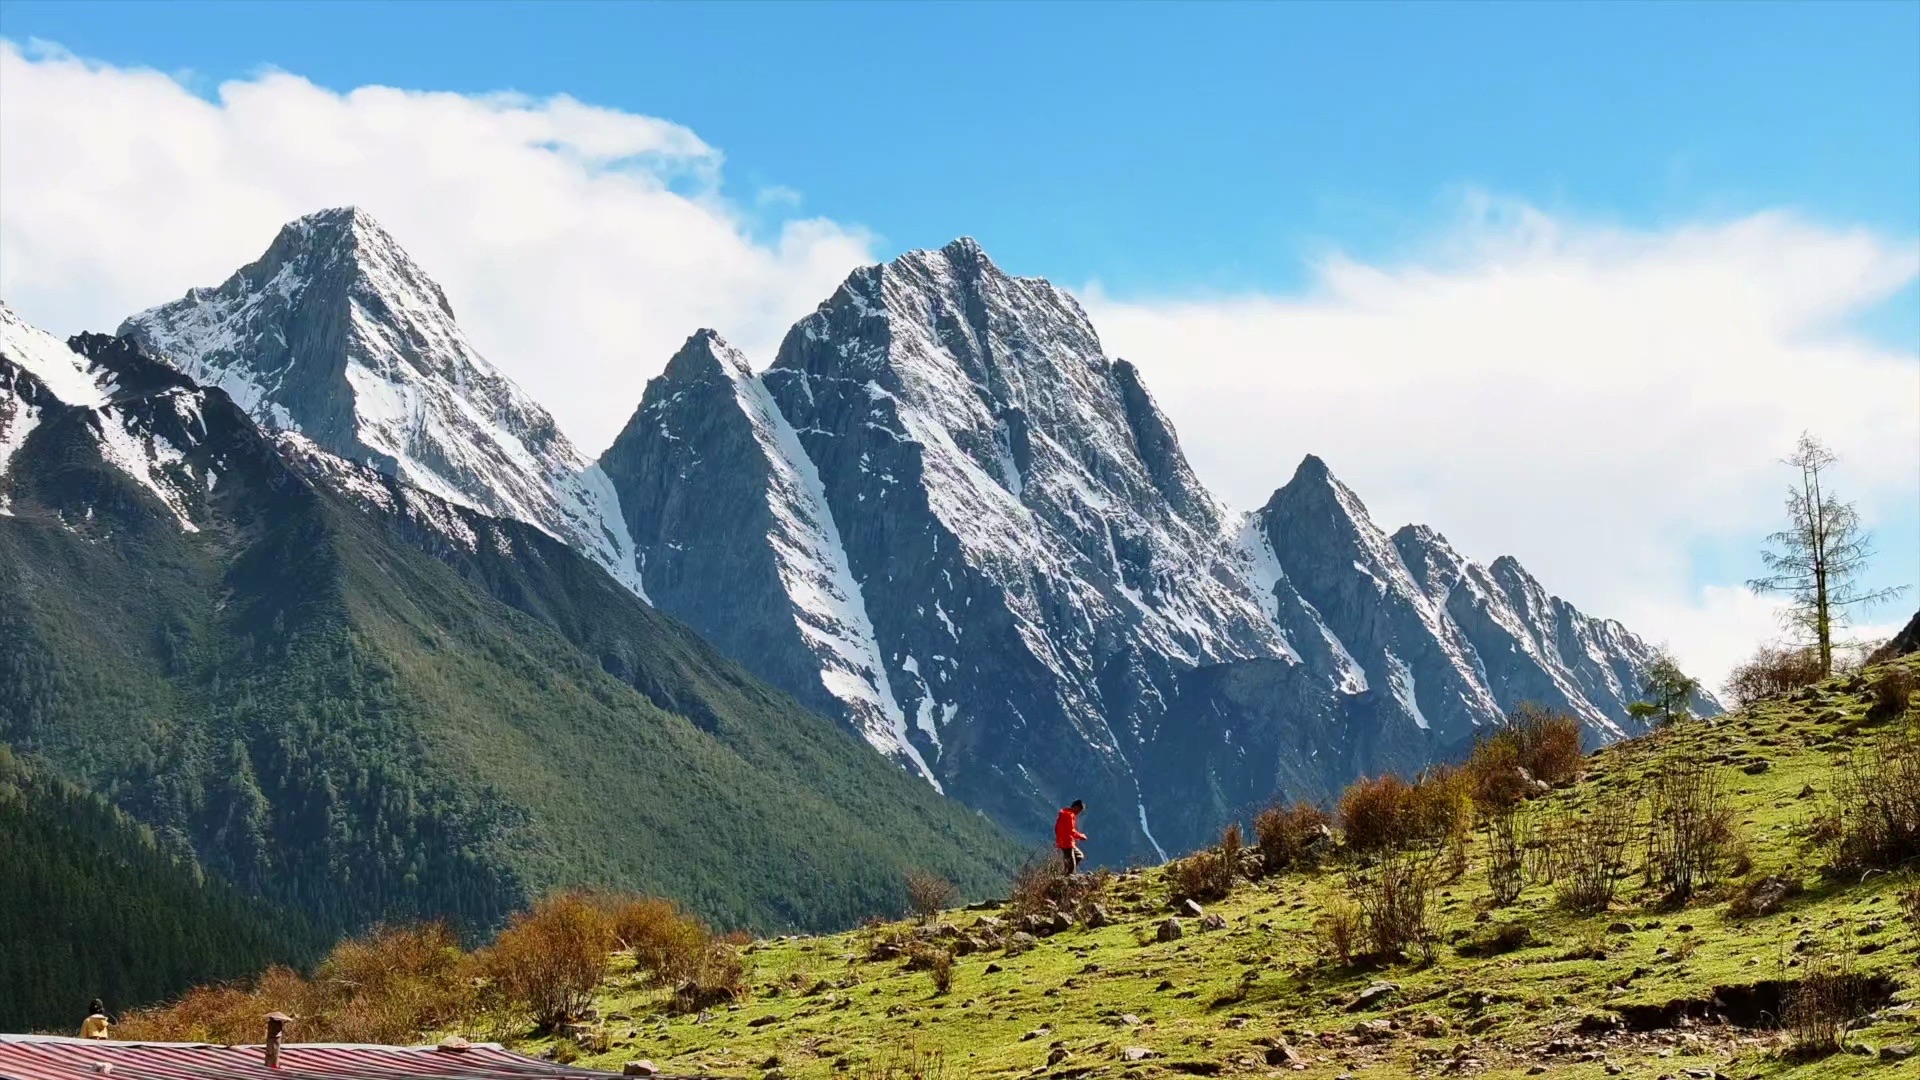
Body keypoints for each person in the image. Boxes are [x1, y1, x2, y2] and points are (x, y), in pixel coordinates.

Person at [1054, 799, 1087, 875]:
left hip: (1064, 842)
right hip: (1067, 843)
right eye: (1079, 810)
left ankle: (1065, 873)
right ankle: (1067, 879)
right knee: (1071, 866)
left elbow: (1057, 828)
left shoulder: (1064, 813)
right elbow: (1071, 831)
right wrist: (1081, 836)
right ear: (1075, 807)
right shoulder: (1069, 815)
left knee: (1079, 856)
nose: (1078, 813)